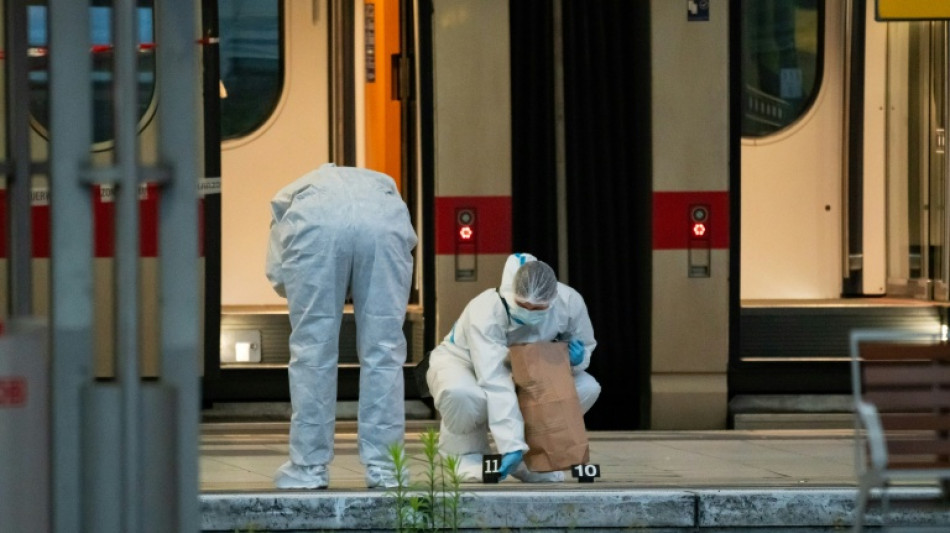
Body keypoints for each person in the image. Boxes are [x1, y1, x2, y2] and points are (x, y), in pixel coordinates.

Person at [266, 163, 417, 489]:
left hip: (315, 222)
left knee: (312, 350)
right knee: (385, 350)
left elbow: (279, 278)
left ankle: (308, 467)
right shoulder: (383, 185)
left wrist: (324, 289)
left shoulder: (294, 198)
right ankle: (386, 470)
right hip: (384, 218)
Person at [426, 253, 601, 482]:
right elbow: (495, 380)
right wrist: (511, 444)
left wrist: (578, 360)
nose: (530, 312)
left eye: (539, 308)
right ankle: (465, 454)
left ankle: (533, 455)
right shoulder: (485, 310)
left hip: (529, 372)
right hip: (465, 364)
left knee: (587, 387)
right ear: (510, 292)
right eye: (523, 305)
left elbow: (585, 344)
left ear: (553, 298)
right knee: (463, 395)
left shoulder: (569, 303)